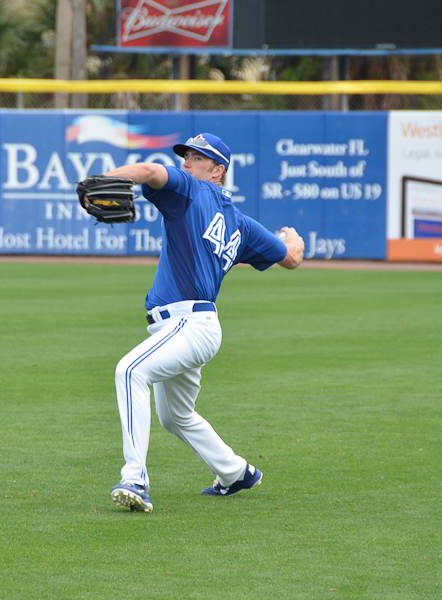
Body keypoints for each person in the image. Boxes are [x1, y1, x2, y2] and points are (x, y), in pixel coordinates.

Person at [98, 133, 305, 512]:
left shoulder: (191, 190)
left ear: (218, 171)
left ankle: (135, 478)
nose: (187, 162)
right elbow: (290, 259)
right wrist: (294, 240)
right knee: (175, 416)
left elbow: (147, 170)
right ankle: (235, 472)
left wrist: (101, 179)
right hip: (189, 327)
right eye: (187, 155)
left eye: (197, 157)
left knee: (130, 372)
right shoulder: (241, 224)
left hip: (189, 324)